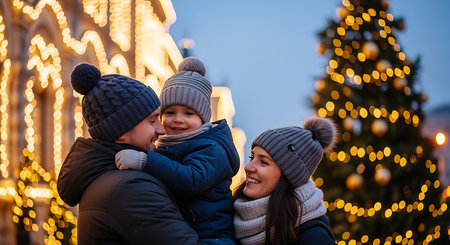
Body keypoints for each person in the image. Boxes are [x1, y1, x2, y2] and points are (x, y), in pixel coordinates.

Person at [57, 63, 202, 245]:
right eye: (151, 121)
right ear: (121, 131)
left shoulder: (115, 179)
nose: (162, 129)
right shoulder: (131, 189)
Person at [115, 57, 240, 244]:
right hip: (187, 234)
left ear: (203, 119)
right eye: (170, 112)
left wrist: (145, 161)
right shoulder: (167, 146)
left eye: (188, 113)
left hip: (214, 237)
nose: (178, 119)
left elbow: (190, 179)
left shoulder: (211, 148)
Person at [233, 116, 337, 245]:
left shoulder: (313, 236)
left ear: (288, 176)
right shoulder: (230, 215)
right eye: (251, 157)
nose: (247, 167)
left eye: (263, 162)